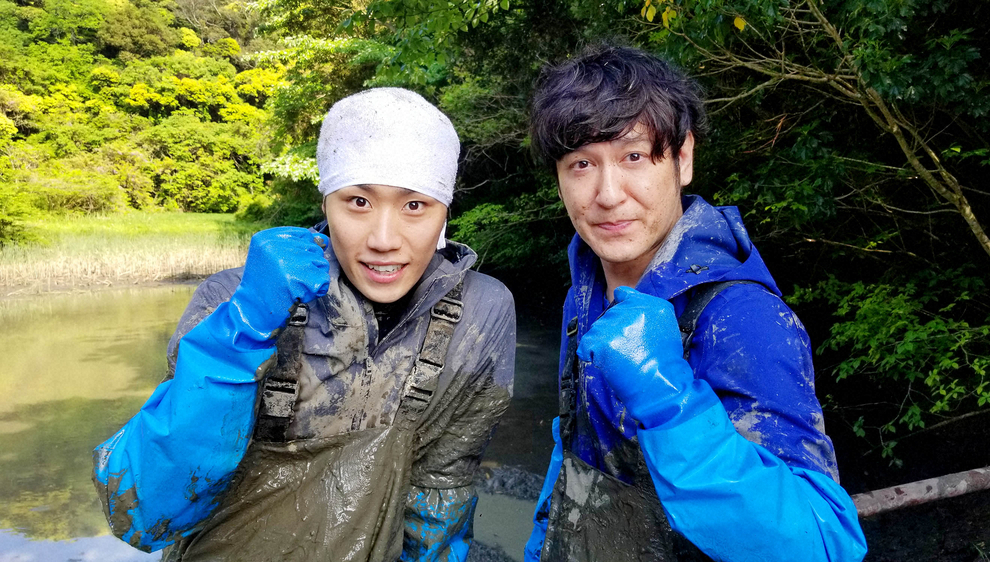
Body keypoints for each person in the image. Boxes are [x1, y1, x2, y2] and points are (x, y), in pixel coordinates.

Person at [92, 88, 516, 562]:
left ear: (445, 212)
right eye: (358, 201)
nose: (383, 239)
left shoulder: (480, 313)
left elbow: (441, 491)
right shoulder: (230, 299)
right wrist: (240, 332)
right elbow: (143, 513)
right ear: (326, 202)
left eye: (414, 206)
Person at [523, 45, 867, 562]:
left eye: (634, 157)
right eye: (582, 164)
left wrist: (669, 401)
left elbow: (823, 544)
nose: (608, 194)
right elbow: (575, 446)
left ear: (682, 158)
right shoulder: (585, 292)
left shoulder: (743, 318)